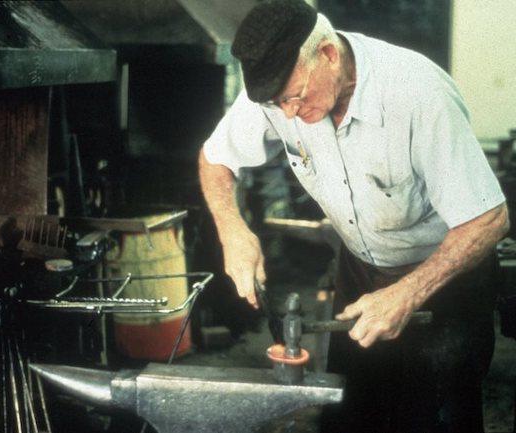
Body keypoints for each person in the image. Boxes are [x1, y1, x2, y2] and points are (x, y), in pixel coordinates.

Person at [197, 1, 510, 432]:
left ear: (327, 54)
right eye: (276, 103)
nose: (287, 114)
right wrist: (232, 229)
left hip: (444, 278)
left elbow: (489, 219)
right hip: (360, 270)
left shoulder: (417, 94)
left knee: (435, 418)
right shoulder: (280, 91)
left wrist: (407, 293)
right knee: (354, 413)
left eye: (295, 98)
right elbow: (214, 158)